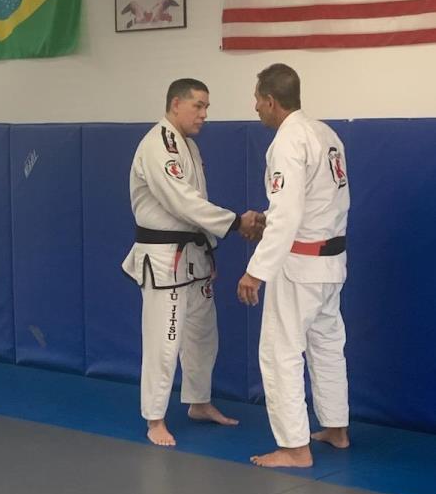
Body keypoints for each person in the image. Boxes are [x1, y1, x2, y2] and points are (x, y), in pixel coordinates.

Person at [123, 78, 263, 447]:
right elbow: (182, 203)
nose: (204, 114)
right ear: (175, 104)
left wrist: (208, 247)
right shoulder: (158, 145)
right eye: (198, 106)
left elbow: (195, 208)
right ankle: (154, 418)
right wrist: (236, 222)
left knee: (203, 333)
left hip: (194, 256)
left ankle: (198, 402)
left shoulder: (188, 145)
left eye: (206, 107)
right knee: (165, 339)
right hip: (165, 260)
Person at [237, 64, 350, 468]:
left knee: (279, 351)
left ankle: (294, 448)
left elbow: (288, 213)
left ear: (271, 101)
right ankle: (336, 428)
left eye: (257, 100)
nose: (255, 107)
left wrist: (256, 271)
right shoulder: (325, 134)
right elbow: (315, 203)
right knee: (327, 345)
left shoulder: (288, 140)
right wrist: (268, 219)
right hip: (331, 261)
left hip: (299, 266)